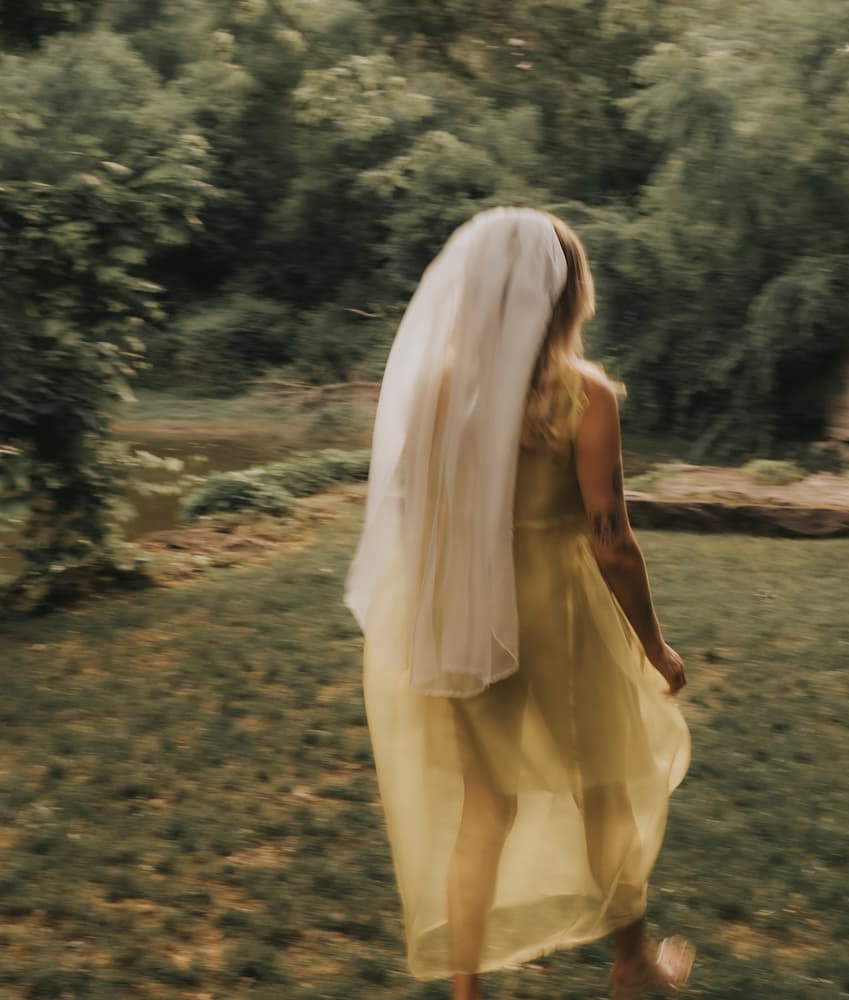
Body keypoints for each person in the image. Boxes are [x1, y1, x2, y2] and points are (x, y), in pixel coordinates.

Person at [345, 207, 694, 1000]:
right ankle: (632, 964)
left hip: (469, 617)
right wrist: (654, 646)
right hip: (560, 618)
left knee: (484, 808)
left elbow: (417, 514)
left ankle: (466, 994)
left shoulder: (436, 394)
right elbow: (611, 540)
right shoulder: (585, 397)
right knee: (604, 791)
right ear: (567, 297)